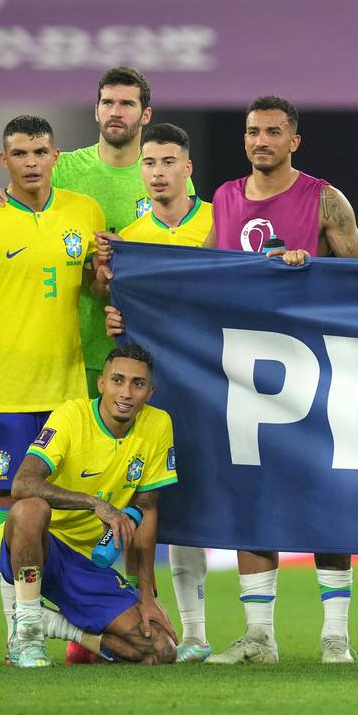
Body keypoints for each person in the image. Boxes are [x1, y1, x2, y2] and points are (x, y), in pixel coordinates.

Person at [201, 96, 358, 665]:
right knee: (251, 499)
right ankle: (258, 637)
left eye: (273, 132)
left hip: (314, 374)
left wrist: (316, 267)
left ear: (294, 140)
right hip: (243, 375)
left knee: (327, 499)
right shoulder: (222, 199)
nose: (260, 141)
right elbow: (199, 280)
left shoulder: (324, 199)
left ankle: (335, 634)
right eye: (252, 132)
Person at [0, 116, 107, 652]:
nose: (31, 162)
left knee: (62, 515)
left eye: (40, 151)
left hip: (68, 395)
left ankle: (63, 625)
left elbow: (98, 285)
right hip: (6, 397)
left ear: (56, 155)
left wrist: (104, 278)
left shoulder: (84, 212)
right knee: (10, 515)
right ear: (3, 160)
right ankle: (21, 633)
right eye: (20, 153)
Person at [0, 344, 178, 667]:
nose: (126, 392)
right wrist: (94, 504)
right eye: (118, 380)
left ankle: (69, 633)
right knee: (30, 510)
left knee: (159, 650)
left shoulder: (158, 425)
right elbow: (22, 484)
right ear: (101, 383)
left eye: (137, 384)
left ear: (150, 392)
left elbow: (147, 509)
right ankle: (26, 636)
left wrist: (147, 595)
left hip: (89, 565)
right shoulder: (71, 416)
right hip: (41, 546)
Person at [116, 123, 213, 662]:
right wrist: (118, 317)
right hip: (156, 392)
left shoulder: (219, 224)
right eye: (149, 163)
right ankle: (179, 628)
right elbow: (122, 310)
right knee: (159, 504)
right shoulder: (131, 240)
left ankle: (204, 630)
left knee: (200, 504)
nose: (157, 173)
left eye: (167, 162)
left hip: (218, 385)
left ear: (188, 168)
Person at [53, 68, 193, 399]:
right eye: (108, 102)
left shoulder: (169, 175)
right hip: (74, 349)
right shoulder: (63, 170)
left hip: (143, 349)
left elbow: (185, 260)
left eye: (127, 104)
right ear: (96, 109)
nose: (116, 112)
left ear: (145, 114)